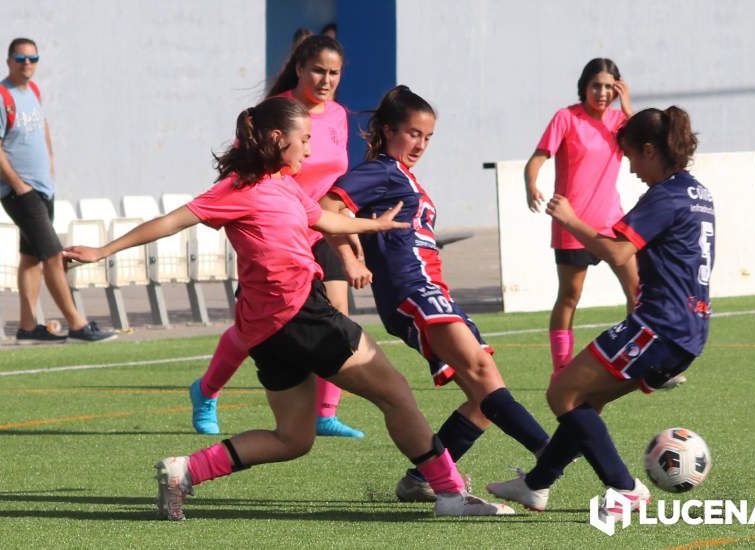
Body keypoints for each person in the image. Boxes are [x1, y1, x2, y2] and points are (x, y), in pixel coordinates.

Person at [63, 97, 514, 519]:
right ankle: (451, 493)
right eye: (305, 141)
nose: (310, 150)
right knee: (394, 392)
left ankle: (187, 471)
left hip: (266, 331)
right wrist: (104, 251)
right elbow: (171, 221)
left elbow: (327, 219)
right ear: (279, 139)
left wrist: (374, 224)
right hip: (301, 315)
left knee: (293, 438)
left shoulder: (286, 185)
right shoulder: (237, 189)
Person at [322, 85, 550, 503]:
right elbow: (327, 207)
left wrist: (360, 243)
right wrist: (350, 260)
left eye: (427, 137)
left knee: (485, 400)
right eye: (413, 133)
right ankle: (553, 457)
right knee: (482, 375)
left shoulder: (402, 176)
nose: (421, 144)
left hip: (432, 293)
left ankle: (422, 479)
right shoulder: (383, 170)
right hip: (414, 292)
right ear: (388, 130)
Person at [487, 106, 714, 521]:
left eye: (630, 157)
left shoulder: (664, 196)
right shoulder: (696, 191)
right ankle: (537, 484)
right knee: (586, 398)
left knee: (562, 393)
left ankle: (625, 489)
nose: (630, 169)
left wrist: (571, 220)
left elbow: (616, 251)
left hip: (659, 326)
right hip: (689, 329)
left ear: (649, 150)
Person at [187, 35, 365, 438]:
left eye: (334, 73)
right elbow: (242, 171)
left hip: (320, 227)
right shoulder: (272, 114)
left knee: (339, 311)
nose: (325, 79)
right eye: (318, 70)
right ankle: (207, 391)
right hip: (276, 231)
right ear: (300, 68)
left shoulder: (337, 116)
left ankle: (325, 413)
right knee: (251, 330)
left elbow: (337, 180)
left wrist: (349, 238)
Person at [523, 58, 638, 378]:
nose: (601, 92)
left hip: (612, 225)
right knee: (570, 297)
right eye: (595, 85)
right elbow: (537, 159)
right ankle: (561, 369)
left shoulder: (620, 122)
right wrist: (531, 184)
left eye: (608, 86)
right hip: (572, 225)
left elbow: (647, 137)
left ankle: (637, 362)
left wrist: (627, 105)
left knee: (637, 291)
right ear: (584, 87)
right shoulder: (566, 118)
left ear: (617, 88)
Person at [0, 37, 115, 344]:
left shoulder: (32, 91)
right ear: (9, 60)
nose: (27, 64)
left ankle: (26, 327)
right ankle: (77, 324)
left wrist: (49, 160)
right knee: (52, 254)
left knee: (30, 257)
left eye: (33, 58)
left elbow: (42, 125)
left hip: (41, 188)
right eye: (21, 58)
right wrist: (18, 184)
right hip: (19, 191)